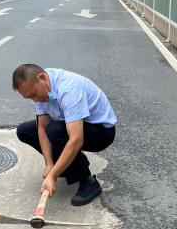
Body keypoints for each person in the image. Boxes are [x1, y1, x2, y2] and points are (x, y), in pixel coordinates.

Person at [13, 64, 117, 206]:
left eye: (34, 94)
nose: (35, 100)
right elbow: (41, 128)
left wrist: (52, 176)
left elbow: (76, 140)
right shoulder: (41, 87)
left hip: (101, 132)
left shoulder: (69, 89)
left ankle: (87, 180)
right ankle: (65, 165)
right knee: (25, 131)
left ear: (42, 77)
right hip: (70, 125)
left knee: (55, 130)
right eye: (30, 97)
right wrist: (49, 164)